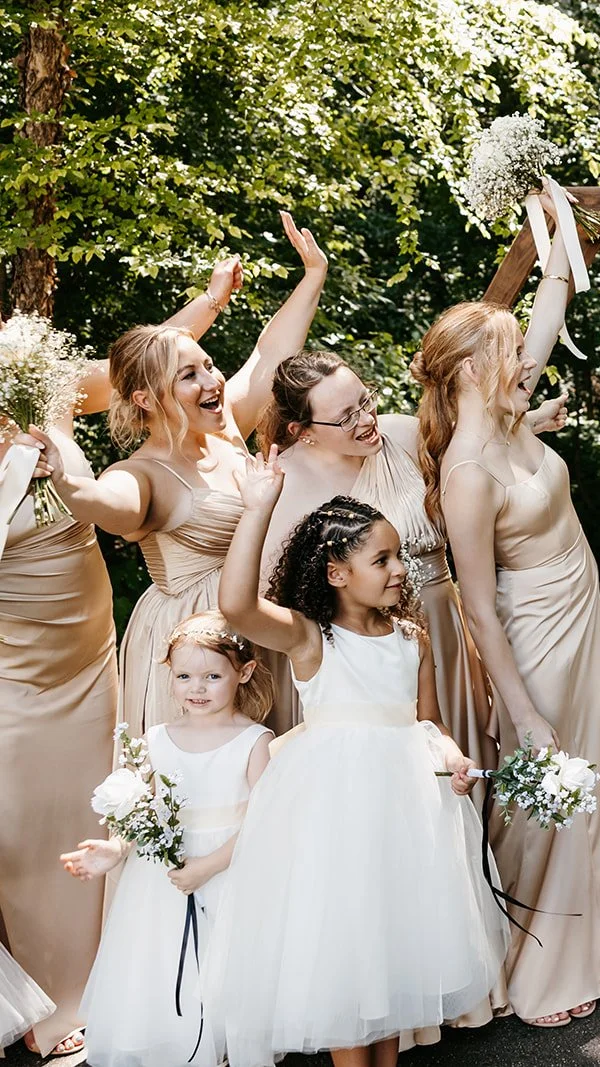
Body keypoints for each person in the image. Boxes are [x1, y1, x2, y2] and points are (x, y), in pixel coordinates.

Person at [1, 270, 240, 1060]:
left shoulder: (35, 384)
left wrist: (206, 307)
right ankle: (36, 1001)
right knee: (20, 823)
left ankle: (96, 983)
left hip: (89, 645)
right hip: (13, 658)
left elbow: (133, 379)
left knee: (91, 804)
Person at [413, 195, 600, 1028]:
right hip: (534, 634)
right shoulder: (469, 467)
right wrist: (520, 709)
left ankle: (599, 939)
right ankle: (530, 957)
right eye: (512, 358)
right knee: (542, 793)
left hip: (578, 618)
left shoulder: (508, 415)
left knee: (588, 779)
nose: (527, 366)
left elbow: (551, 297)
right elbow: (477, 606)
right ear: (474, 370)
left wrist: (554, 215)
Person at [209, 459, 505, 1067]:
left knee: (391, 942)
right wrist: (258, 506)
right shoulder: (313, 638)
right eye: (383, 560)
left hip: (403, 807)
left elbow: (425, 722)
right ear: (337, 573)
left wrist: (451, 757)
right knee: (349, 944)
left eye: (399, 556)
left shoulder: (410, 636)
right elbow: (236, 606)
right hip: (336, 808)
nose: (401, 570)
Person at [35, 212, 327, 735]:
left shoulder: (227, 427)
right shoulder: (142, 473)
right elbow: (109, 503)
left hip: (267, 625)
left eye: (208, 365)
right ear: (146, 397)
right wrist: (64, 481)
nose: (212, 379)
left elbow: (269, 356)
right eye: (188, 375)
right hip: (199, 647)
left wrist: (312, 277)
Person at [250, 348, 567, 757]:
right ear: (302, 430)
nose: (366, 421)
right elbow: (270, 600)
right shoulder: (283, 485)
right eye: (346, 417)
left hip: (444, 628)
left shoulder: (403, 435)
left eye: (366, 401)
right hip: (362, 662)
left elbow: (476, 450)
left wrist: (532, 421)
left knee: (458, 762)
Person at [62, 611, 274, 1067]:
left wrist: (209, 866)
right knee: (158, 962)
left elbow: (265, 823)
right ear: (170, 676)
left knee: (222, 966)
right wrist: (114, 850)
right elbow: (142, 815)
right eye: (184, 676)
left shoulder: (254, 741)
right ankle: (173, 1044)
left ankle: (219, 1047)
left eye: (212, 676)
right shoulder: (156, 739)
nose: (196, 688)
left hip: (227, 871)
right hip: (163, 879)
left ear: (245, 672)